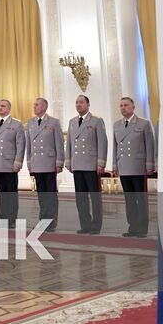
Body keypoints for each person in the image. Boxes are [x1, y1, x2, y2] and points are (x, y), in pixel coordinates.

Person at [111, 97, 155, 237]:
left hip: (138, 167)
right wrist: (115, 165)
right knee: (129, 199)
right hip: (124, 167)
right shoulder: (117, 125)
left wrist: (150, 165)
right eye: (121, 105)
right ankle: (132, 227)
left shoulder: (143, 124)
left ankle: (142, 228)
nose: (123, 108)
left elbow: (150, 145)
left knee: (140, 199)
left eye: (126, 105)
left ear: (133, 107)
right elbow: (115, 147)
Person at [66, 95, 107, 234]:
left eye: (81, 102)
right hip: (77, 164)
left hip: (91, 165)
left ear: (88, 105)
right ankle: (85, 225)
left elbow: (102, 142)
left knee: (95, 197)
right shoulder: (72, 122)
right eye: (76, 102)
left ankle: (96, 225)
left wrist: (101, 162)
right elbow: (69, 144)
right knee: (81, 197)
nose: (78, 105)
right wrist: (68, 161)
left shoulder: (96, 121)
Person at [25, 96, 64, 232]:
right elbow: (28, 145)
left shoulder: (53, 122)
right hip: (37, 163)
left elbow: (59, 144)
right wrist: (29, 162)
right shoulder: (30, 122)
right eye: (34, 104)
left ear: (44, 107)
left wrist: (59, 162)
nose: (34, 107)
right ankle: (43, 219)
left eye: (37, 105)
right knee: (41, 193)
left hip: (49, 162)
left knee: (51, 193)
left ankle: (52, 221)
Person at [0, 99, 25, 228]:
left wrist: (18, 162)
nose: (0, 108)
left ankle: (11, 219)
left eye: (3, 106)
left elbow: (20, 146)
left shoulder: (16, 125)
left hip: (10, 164)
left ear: (9, 108)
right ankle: (3, 219)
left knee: (11, 194)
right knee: (1, 194)